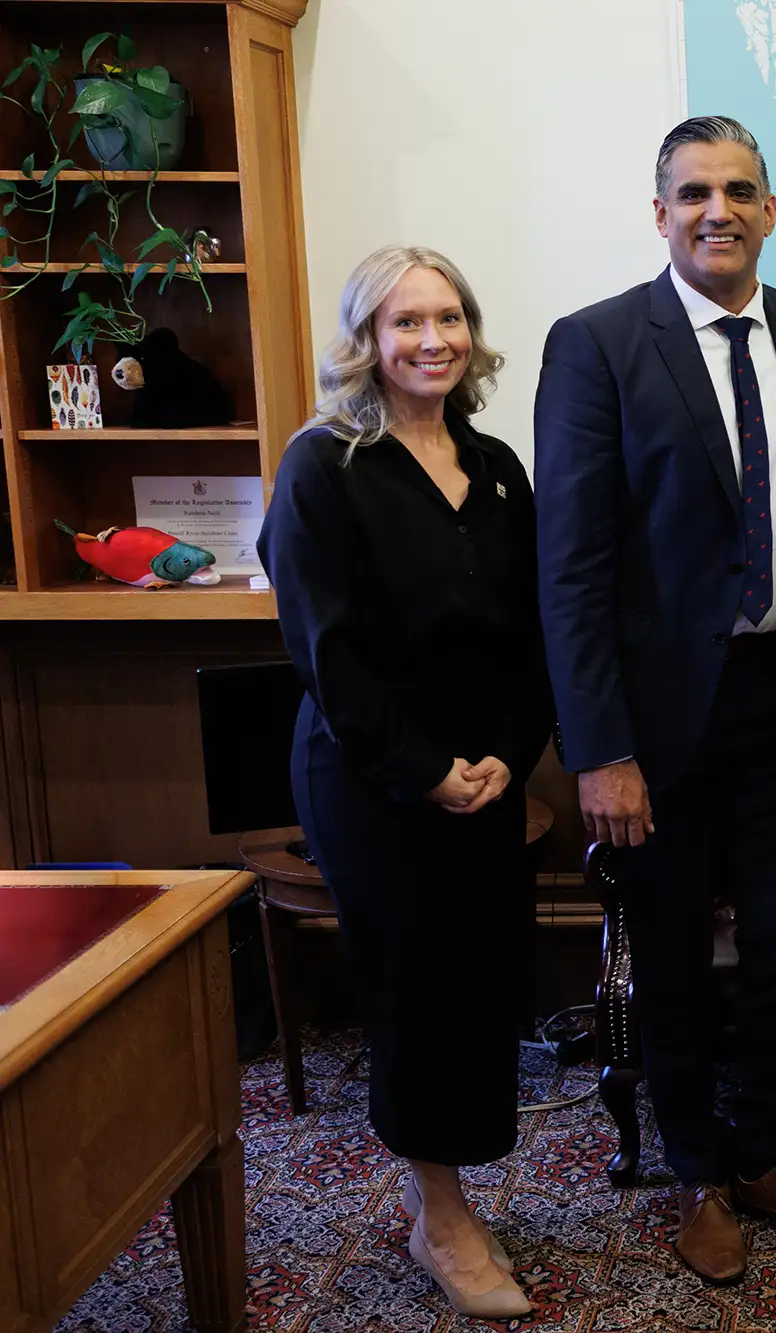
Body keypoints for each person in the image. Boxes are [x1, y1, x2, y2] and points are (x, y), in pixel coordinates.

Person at [533, 115, 776, 1284]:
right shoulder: (597, 343)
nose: (715, 210)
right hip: (657, 723)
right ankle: (692, 1174)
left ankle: (768, 1156)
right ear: (659, 212)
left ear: (771, 209)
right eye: (690, 193)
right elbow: (569, 565)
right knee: (673, 953)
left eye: (737, 190)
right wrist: (598, 749)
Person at [257, 245, 551, 1319]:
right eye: (405, 322)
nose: (432, 339)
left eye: (448, 318)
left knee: (480, 986)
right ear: (367, 342)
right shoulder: (323, 465)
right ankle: (443, 1218)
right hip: (374, 781)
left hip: (486, 774)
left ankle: (452, 1185)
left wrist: (506, 761)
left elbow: (533, 641)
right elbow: (324, 651)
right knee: (416, 990)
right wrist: (425, 773)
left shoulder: (498, 465)